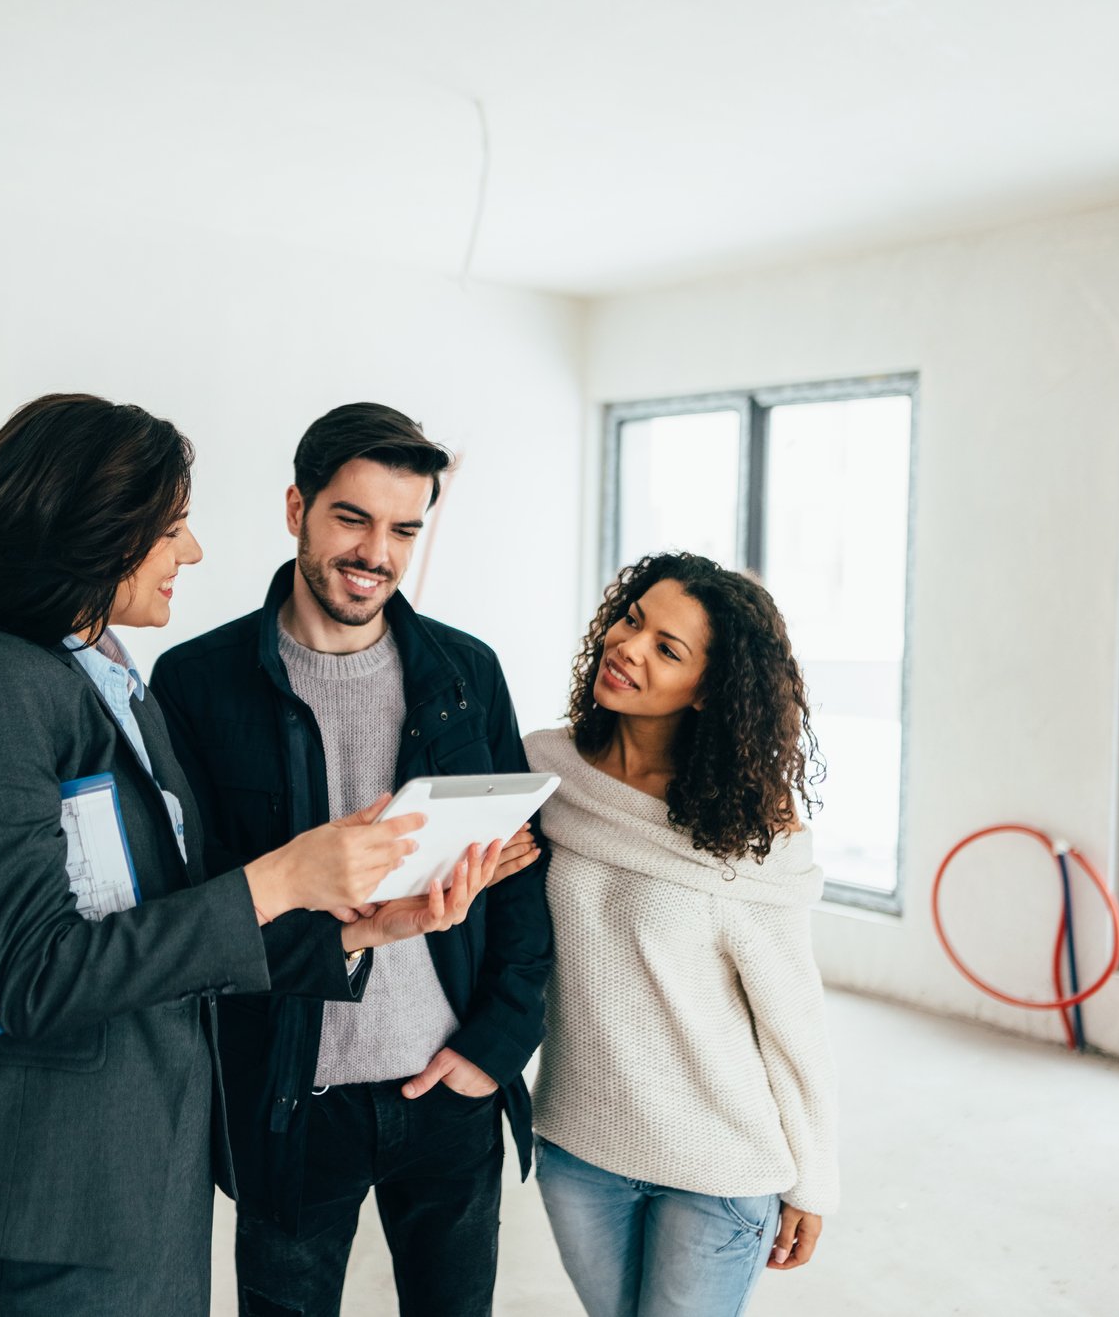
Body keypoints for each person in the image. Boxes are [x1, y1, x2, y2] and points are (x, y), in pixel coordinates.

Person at [0, 393, 446, 1317]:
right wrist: (279, 876)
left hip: (143, 1154)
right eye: (172, 529)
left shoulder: (103, 674)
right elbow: (37, 975)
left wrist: (363, 931)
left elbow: (168, 925)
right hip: (48, 1185)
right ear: (93, 531)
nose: (190, 553)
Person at [152, 402, 552, 1317]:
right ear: (297, 507)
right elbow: (197, 902)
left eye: (405, 529)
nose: (378, 551)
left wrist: (494, 1049)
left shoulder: (466, 674)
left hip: (448, 1089)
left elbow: (523, 878)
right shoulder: (197, 684)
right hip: (294, 1099)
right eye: (352, 518)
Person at [526, 551, 839, 1317]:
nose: (628, 647)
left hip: (718, 1161)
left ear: (708, 692)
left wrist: (814, 1177)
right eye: (632, 620)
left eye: (667, 649)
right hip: (577, 1144)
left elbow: (792, 1020)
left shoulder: (750, 832)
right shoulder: (540, 770)